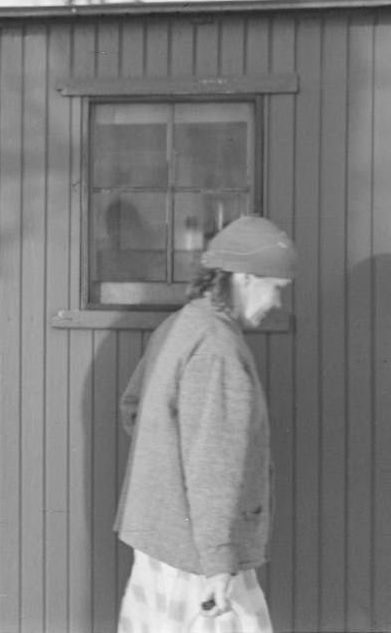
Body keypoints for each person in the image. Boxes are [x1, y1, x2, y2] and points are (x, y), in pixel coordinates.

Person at [114, 215, 297, 633]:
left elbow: (133, 408)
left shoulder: (181, 325)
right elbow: (214, 467)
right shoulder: (218, 350)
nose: (277, 305)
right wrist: (219, 564)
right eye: (278, 289)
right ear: (246, 277)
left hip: (160, 540)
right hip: (198, 557)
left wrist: (165, 470)